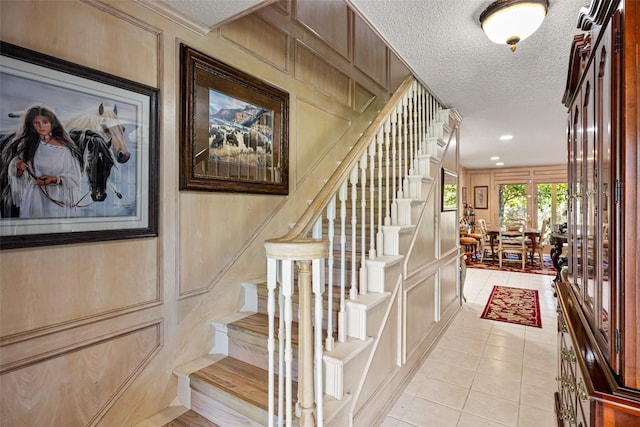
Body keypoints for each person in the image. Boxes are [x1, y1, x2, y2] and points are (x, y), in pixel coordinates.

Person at [1, 105, 83, 218]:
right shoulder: (27, 145)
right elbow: (18, 175)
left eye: (45, 122)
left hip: (59, 197)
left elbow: (74, 177)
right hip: (35, 197)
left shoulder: (65, 147)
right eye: (36, 123)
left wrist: (54, 179)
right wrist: (18, 167)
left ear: (52, 124)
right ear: (31, 125)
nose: (41, 126)